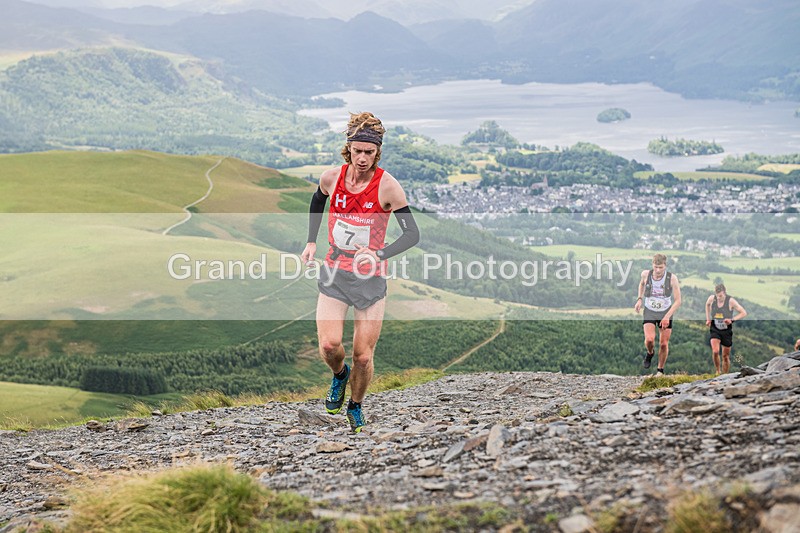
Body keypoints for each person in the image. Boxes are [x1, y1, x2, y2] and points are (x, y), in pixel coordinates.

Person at [300, 112, 420, 433]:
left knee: (364, 357)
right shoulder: (331, 178)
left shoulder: (388, 187)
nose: (363, 158)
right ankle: (340, 375)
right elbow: (317, 200)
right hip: (336, 271)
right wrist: (311, 241)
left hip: (370, 277)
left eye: (369, 152)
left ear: (377, 152)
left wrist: (379, 253)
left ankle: (355, 405)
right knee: (329, 345)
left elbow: (412, 234)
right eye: (358, 151)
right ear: (348, 149)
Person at [634, 253, 682, 376]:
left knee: (663, 343)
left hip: (666, 311)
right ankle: (650, 353)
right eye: (656, 267)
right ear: (652, 265)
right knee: (649, 340)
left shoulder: (672, 278)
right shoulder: (646, 274)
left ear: (665, 266)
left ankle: (660, 370)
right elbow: (641, 284)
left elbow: (678, 301)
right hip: (650, 310)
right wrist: (639, 299)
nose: (658, 270)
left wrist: (667, 317)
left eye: (661, 267)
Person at [704, 283, 747, 374]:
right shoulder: (712, 298)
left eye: (720, 296)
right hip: (715, 328)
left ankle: (725, 376)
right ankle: (717, 371)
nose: (719, 298)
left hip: (726, 331)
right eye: (717, 296)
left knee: (725, 356)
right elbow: (707, 305)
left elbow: (743, 312)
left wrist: (732, 320)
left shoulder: (731, 301)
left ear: (724, 293)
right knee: (715, 351)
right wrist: (708, 319)